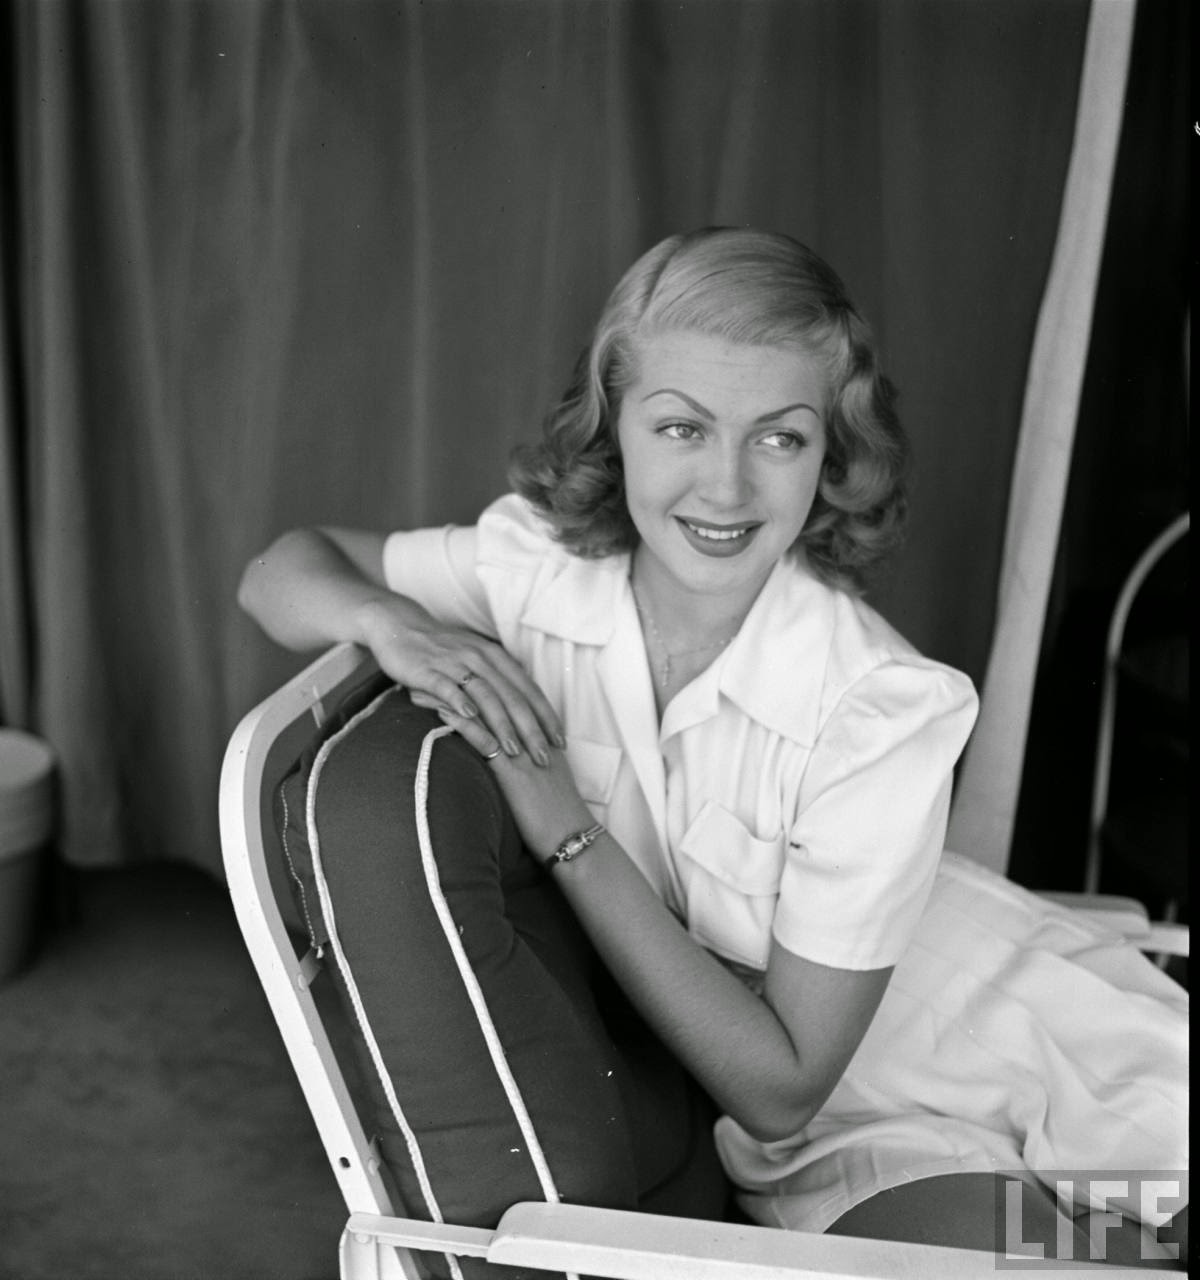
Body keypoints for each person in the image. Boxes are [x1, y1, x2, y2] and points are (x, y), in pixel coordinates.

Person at [239, 228, 1187, 1262]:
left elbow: (782, 1081)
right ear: (614, 427)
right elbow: (280, 570)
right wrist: (390, 624)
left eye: (779, 439)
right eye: (681, 427)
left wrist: (566, 829)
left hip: (1057, 1068)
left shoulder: (882, 706)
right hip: (845, 1144)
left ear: (831, 452)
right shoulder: (537, 571)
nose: (725, 488)